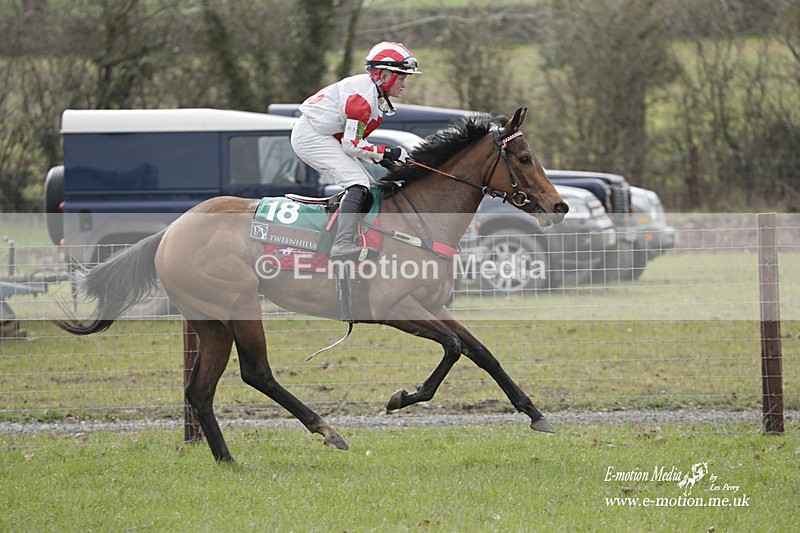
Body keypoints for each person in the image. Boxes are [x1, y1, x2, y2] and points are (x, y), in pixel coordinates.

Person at [291, 41, 421, 259]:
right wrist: (388, 153)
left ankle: (350, 236)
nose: (404, 84)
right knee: (358, 184)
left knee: (368, 186)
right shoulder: (362, 100)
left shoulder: (373, 95)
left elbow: (355, 142)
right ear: (384, 75)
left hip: (324, 135)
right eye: (401, 77)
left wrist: (382, 160)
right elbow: (351, 145)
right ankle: (341, 244)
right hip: (311, 136)